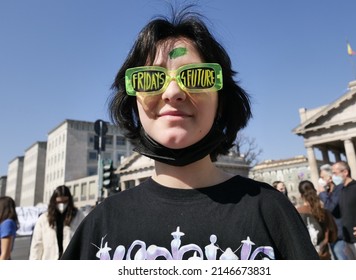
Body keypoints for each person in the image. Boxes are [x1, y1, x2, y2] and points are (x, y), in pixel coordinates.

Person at [62, 6, 319, 260]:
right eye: (151, 79)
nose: (173, 92)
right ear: (133, 103)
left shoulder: (272, 211)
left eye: (196, 77)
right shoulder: (99, 225)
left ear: (222, 101)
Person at [29, 185, 85, 259]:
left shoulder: (79, 216)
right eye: (59, 202)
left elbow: (84, 240)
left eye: (65, 201)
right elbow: (36, 246)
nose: (62, 205)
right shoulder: (44, 219)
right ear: (54, 201)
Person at [317, 164, 353, 260]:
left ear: (330, 177)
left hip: (340, 234)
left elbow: (331, 207)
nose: (320, 180)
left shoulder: (339, 189)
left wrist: (322, 193)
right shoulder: (329, 190)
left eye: (322, 177)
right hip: (332, 234)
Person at [297, 180, 337, 260]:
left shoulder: (296, 213)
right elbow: (333, 236)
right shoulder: (324, 211)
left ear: (301, 195)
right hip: (323, 255)